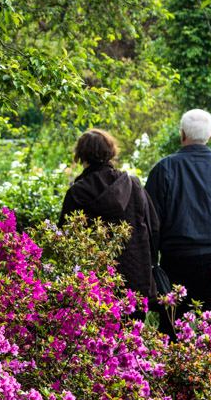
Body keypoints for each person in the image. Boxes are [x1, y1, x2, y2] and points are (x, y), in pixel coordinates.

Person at [144, 109, 211, 323]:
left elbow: (150, 224)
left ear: (182, 134)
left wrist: (150, 265)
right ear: (210, 136)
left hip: (176, 261)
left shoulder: (164, 169)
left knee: (174, 326)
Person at [59, 129, 159, 300]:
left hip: (94, 283)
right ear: (111, 152)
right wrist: (150, 264)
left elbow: (64, 238)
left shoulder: (77, 193)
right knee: (133, 325)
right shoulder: (132, 185)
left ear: (81, 155)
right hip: (135, 277)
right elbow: (153, 227)